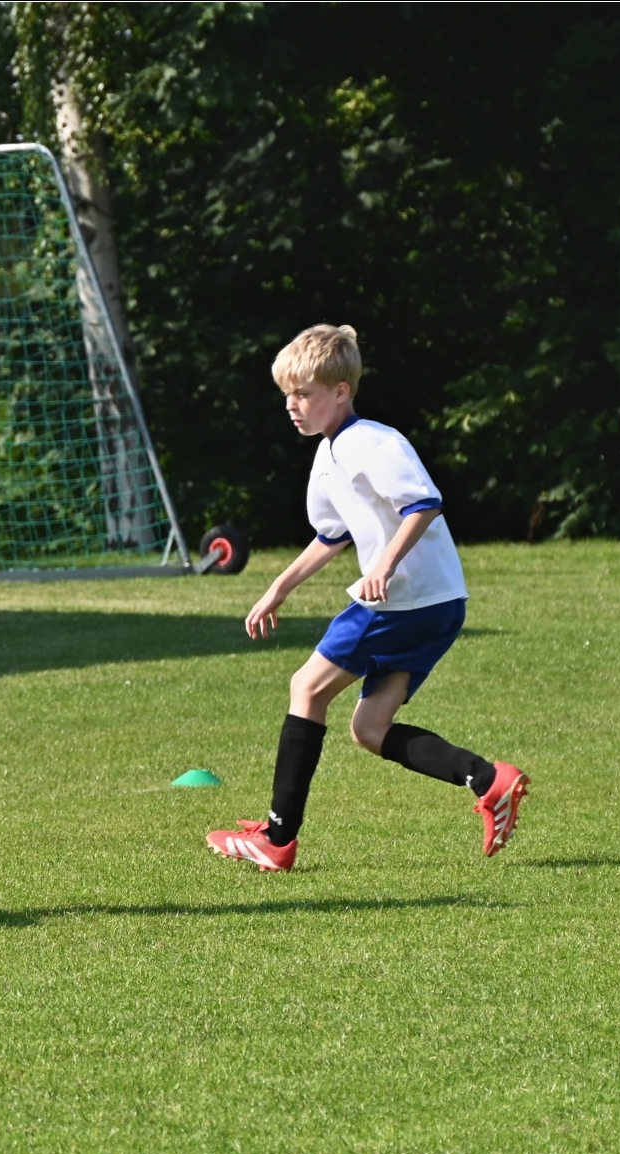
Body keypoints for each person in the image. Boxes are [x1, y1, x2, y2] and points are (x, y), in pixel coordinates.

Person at [207, 324, 527, 872]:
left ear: (341, 391)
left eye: (303, 393)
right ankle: (488, 779)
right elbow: (331, 536)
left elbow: (424, 503)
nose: (291, 405)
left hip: (404, 601)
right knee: (369, 729)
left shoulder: (374, 442)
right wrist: (279, 588)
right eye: (287, 394)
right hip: (437, 604)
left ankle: (277, 839)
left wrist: (384, 564)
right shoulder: (328, 455)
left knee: (306, 687)